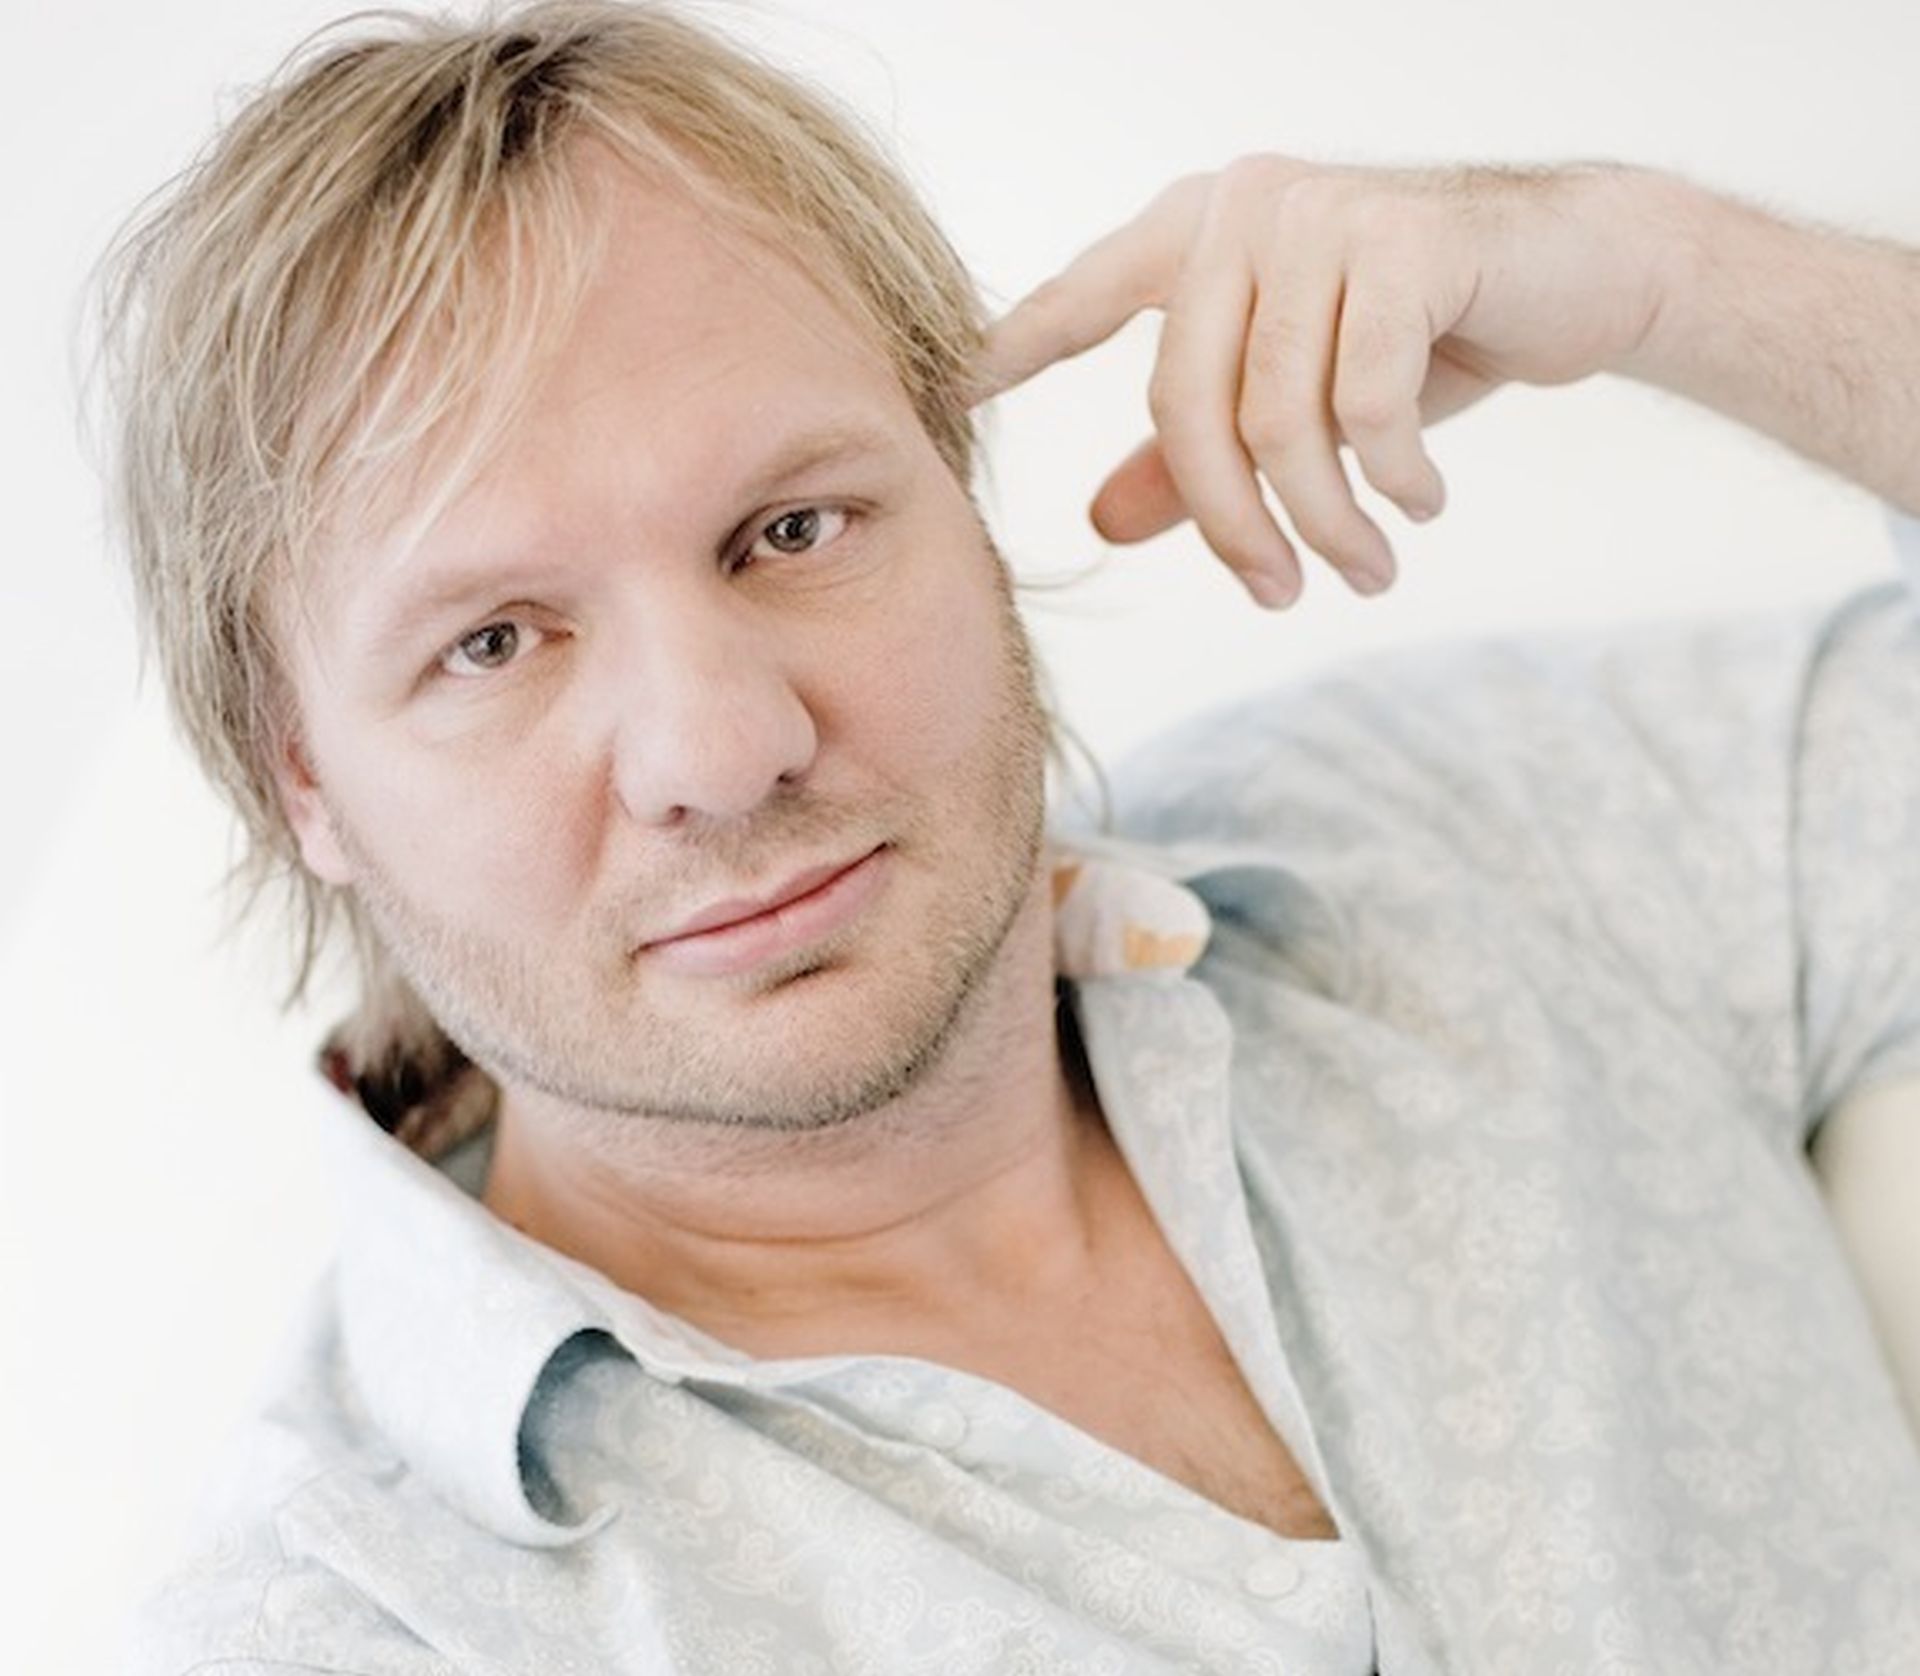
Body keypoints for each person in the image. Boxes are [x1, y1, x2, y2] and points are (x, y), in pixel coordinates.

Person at [103, 2, 1920, 1671]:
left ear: (960, 500)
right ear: (302, 783)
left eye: (793, 530)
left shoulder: (1478, 834)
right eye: (494, 643)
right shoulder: (359, 1630)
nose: (723, 751)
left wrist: (1668, 272)